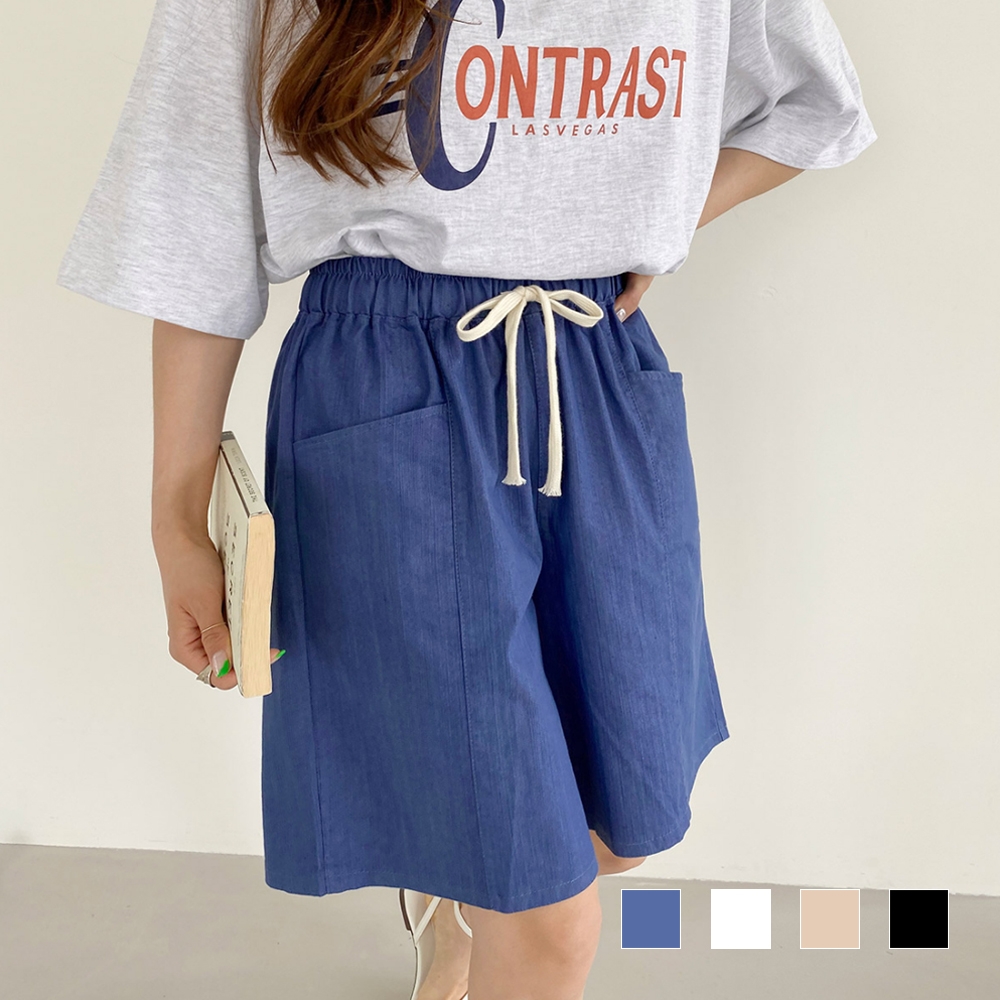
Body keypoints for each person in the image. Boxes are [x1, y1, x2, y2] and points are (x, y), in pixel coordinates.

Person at [56, 1, 877, 998]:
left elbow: (811, 106)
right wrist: (176, 520)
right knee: (549, 913)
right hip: (386, 384)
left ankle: (450, 898)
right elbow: (191, 217)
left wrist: (651, 223)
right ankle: (479, 898)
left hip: (596, 367)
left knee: (620, 817)